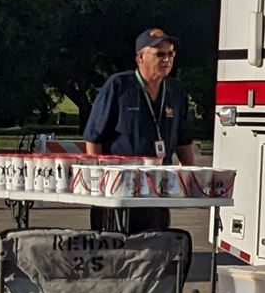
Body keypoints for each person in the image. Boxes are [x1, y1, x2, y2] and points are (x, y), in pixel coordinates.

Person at [82, 28, 201, 233]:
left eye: (170, 54)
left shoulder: (176, 92)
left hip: (156, 191)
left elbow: (183, 141)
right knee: (114, 250)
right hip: (118, 191)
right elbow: (94, 137)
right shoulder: (119, 86)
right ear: (140, 57)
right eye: (159, 54)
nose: (166, 60)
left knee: (152, 251)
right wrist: (99, 181)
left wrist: (192, 180)